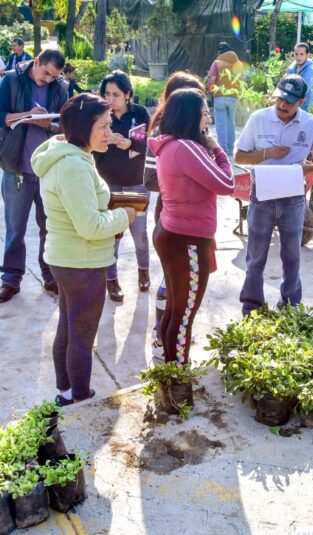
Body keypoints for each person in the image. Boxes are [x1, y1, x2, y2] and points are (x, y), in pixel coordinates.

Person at [31, 94, 135, 406]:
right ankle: (80, 399)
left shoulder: (66, 155)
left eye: (110, 125)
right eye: (102, 127)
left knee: (68, 325)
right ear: (81, 129)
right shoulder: (73, 166)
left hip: (68, 259)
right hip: (82, 262)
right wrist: (125, 215)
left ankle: (64, 392)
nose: (109, 133)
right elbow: (89, 226)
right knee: (81, 334)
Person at [234, 74, 313, 315]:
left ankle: (291, 303)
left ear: (301, 102)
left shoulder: (311, 125)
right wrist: (267, 153)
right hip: (262, 195)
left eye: (289, 102)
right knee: (256, 255)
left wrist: (310, 168)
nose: (282, 105)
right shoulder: (259, 119)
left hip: (293, 199)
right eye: (280, 98)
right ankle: (251, 304)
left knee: (292, 255)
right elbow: (239, 157)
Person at [149, 88, 235, 365]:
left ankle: (168, 369)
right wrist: (218, 150)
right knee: (183, 315)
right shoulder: (185, 148)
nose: (208, 120)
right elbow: (226, 184)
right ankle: (178, 376)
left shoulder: (171, 144)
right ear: (190, 116)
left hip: (174, 233)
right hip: (186, 240)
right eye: (205, 114)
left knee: (175, 310)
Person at [0, 48, 69, 303]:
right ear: (36, 62)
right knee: (16, 229)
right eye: (45, 73)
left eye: (53, 77)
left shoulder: (60, 87)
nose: (47, 80)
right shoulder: (11, 80)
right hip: (17, 169)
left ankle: (50, 275)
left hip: (48, 170)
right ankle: (11, 279)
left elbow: (64, 126)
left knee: (51, 228)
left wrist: (48, 124)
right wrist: (27, 116)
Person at [143, 72, 208, 358]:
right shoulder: (166, 138)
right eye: (198, 107)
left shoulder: (195, 137)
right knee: (173, 288)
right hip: (176, 217)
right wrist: (186, 179)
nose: (204, 113)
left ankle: (170, 346)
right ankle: (165, 346)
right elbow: (224, 181)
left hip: (195, 221)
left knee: (181, 294)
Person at [95, 70, 151, 302]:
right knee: (111, 236)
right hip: (107, 183)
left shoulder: (139, 113)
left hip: (136, 183)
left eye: (115, 95)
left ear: (127, 94)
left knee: (139, 233)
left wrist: (130, 143)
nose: (110, 99)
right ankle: (111, 279)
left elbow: (150, 146)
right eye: (106, 94)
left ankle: (144, 271)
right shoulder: (99, 114)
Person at [206, 42, 244, 157]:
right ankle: (231, 149)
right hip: (233, 97)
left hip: (220, 97)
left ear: (219, 51)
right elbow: (242, 79)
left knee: (221, 124)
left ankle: (224, 151)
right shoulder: (238, 63)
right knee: (231, 123)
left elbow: (212, 80)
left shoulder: (217, 63)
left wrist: (209, 90)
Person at [284, 42, 313, 110]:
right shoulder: (291, 68)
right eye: (296, 54)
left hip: (306, 109)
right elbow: (284, 85)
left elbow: (301, 91)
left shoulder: (311, 70)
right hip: (291, 108)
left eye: (301, 54)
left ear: (307, 55)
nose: (298, 57)